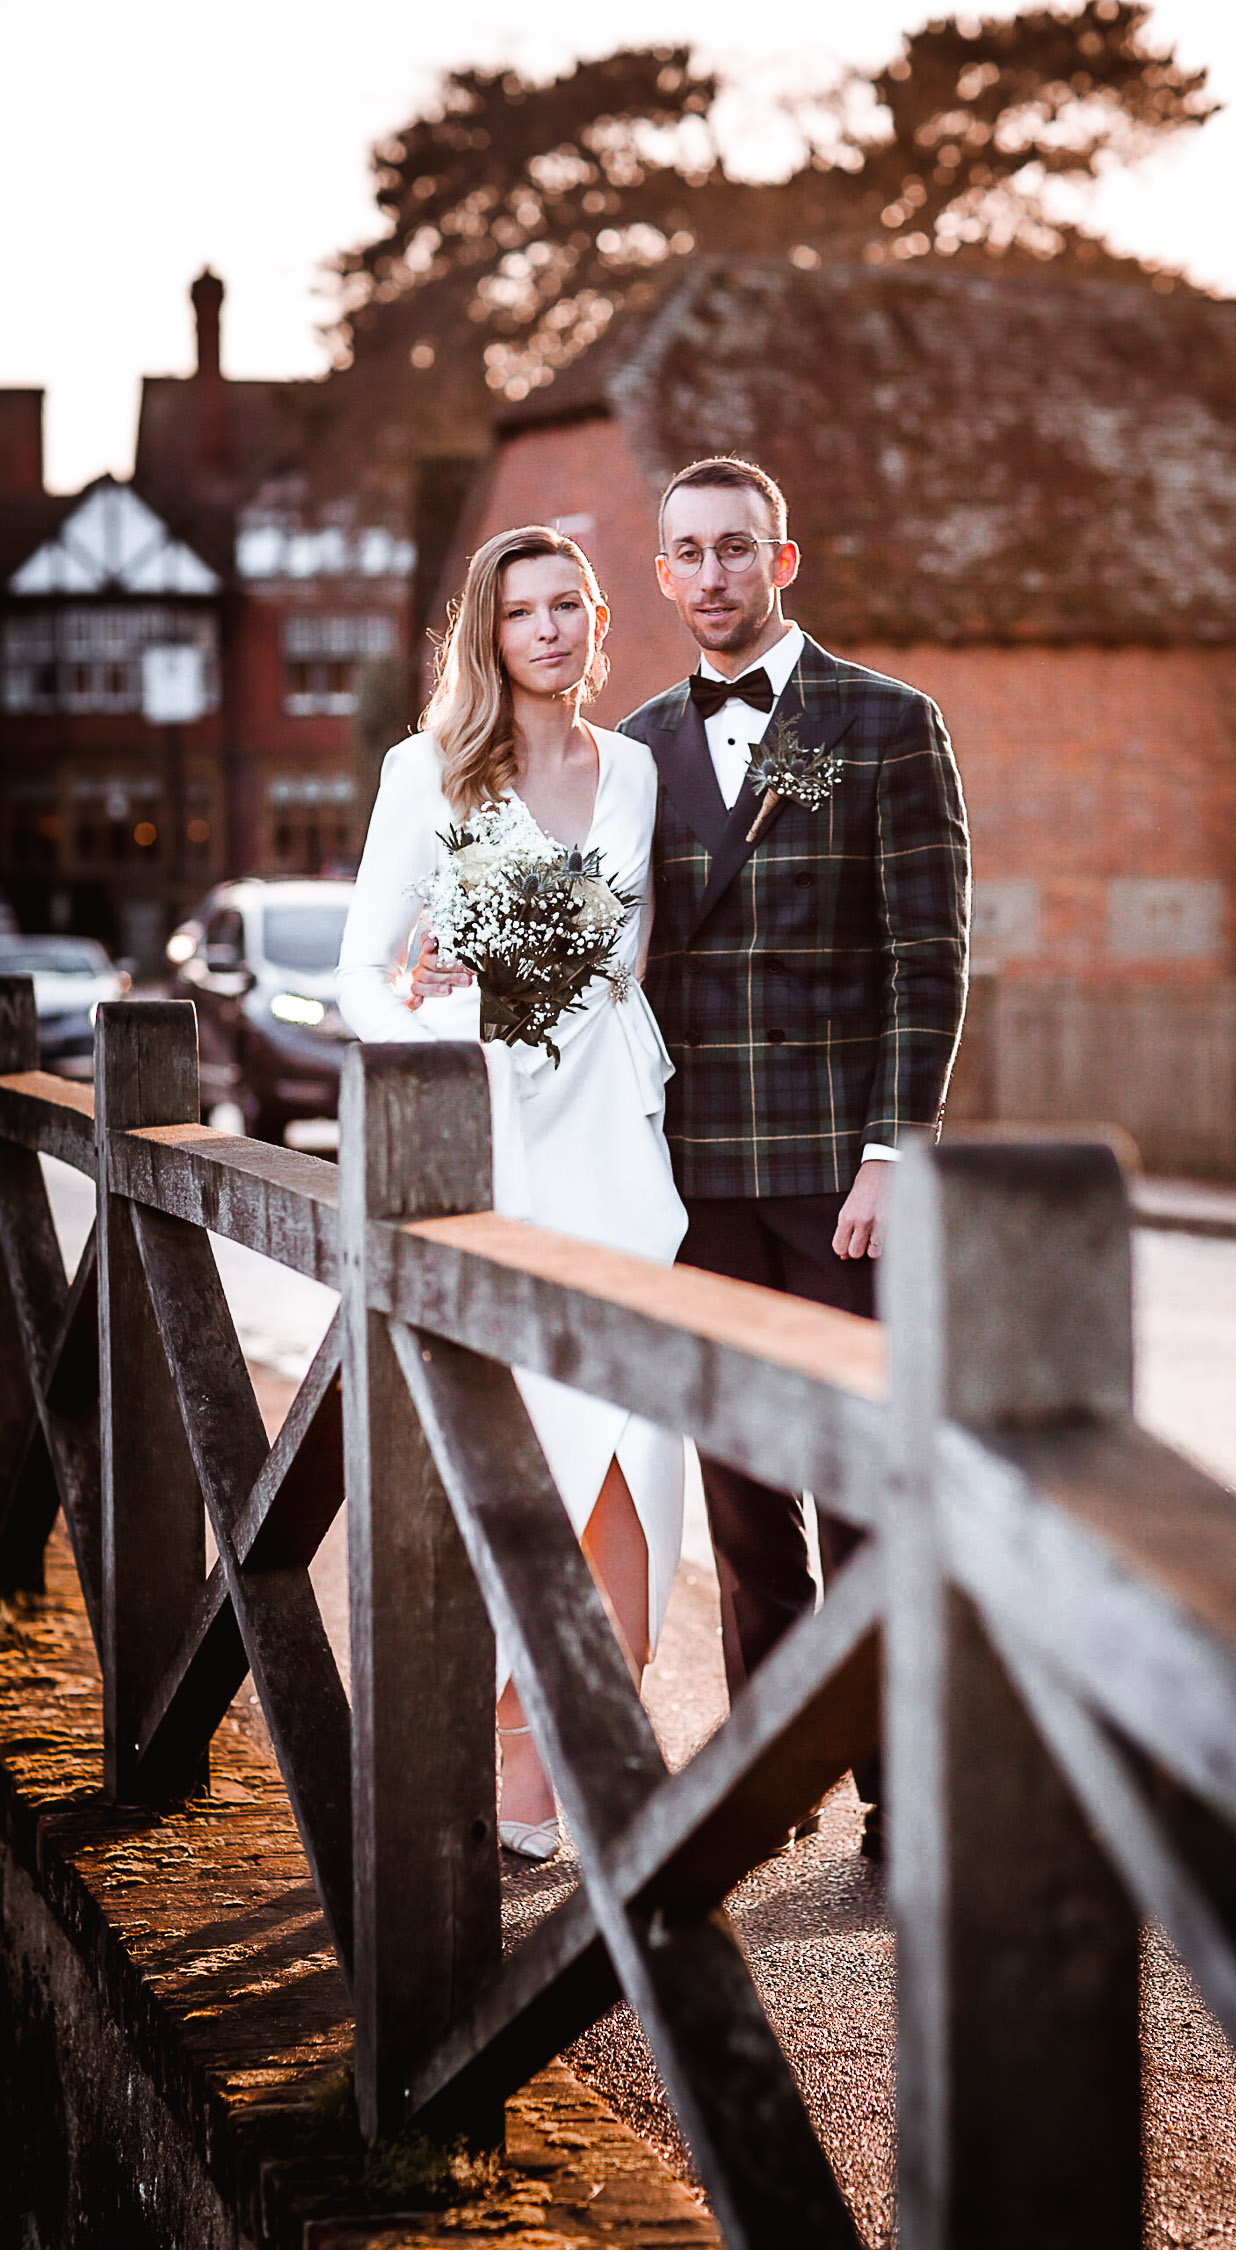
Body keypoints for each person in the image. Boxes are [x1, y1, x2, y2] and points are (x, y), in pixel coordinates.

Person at [619, 456, 970, 1861]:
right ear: (659, 574)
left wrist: (896, 1150)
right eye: (688, 553)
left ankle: (901, 1795)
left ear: (786, 557)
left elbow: (929, 958)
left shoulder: (888, 723)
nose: (712, 574)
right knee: (744, 1502)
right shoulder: (633, 748)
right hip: (695, 1180)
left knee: (863, 1488)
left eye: (736, 549)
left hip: (839, 1181)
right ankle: (774, 1775)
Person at [336, 524, 687, 1864]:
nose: (545, 630)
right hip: (497, 1145)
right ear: (486, 634)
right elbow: (368, 974)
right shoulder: (422, 772)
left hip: (618, 1146)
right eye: (518, 611)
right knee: (520, 1446)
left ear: (597, 621)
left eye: (564, 607)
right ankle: (493, 1765)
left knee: (631, 1452)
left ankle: (584, 1757)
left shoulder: (638, 772)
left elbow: (629, 955)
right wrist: (457, 1045)